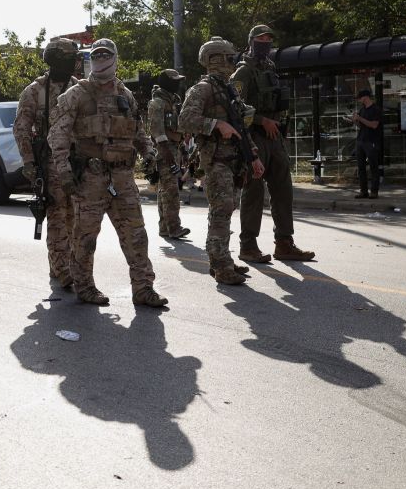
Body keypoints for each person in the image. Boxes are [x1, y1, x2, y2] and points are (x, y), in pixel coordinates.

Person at [47, 38, 168, 308]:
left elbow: (137, 131)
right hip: (90, 178)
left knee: (136, 235)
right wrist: (65, 172)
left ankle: (143, 288)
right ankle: (85, 286)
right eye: (96, 55)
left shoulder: (125, 95)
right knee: (85, 237)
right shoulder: (76, 94)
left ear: (114, 58)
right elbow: (57, 136)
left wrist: (149, 155)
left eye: (106, 54)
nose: (101, 59)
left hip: (123, 178)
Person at [180, 37, 265, 285]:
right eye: (229, 58)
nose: (232, 62)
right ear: (215, 59)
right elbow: (185, 120)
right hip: (216, 159)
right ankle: (220, 265)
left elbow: (241, 127)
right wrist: (216, 124)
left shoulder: (228, 90)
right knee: (221, 211)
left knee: (227, 211)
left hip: (234, 160)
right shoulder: (202, 89)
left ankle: (222, 260)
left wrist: (254, 157)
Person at [230, 24, 314, 263]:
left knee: (283, 191)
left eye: (268, 38)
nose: (266, 41)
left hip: (274, 136)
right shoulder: (243, 72)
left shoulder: (270, 67)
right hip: (254, 136)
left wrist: (277, 125)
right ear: (251, 42)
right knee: (254, 192)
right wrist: (261, 120)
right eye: (261, 38)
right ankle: (248, 246)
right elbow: (235, 109)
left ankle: (284, 243)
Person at [13, 36, 82, 288]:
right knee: (57, 215)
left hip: (77, 162)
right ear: (56, 59)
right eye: (69, 58)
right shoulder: (35, 91)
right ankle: (61, 268)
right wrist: (29, 162)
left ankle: (76, 266)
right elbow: (21, 128)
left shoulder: (80, 87)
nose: (74, 63)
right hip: (49, 162)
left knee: (77, 217)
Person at [148, 68, 191, 241]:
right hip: (165, 151)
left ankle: (165, 227)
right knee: (171, 190)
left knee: (165, 190)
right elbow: (157, 132)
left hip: (174, 147)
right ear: (167, 82)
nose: (178, 84)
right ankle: (174, 227)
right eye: (175, 81)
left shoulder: (173, 101)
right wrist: (169, 157)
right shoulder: (158, 102)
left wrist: (183, 151)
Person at [350, 89, 383, 199]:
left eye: (360, 97)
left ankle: (374, 191)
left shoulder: (376, 109)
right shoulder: (362, 110)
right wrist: (355, 121)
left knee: (373, 167)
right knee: (361, 167)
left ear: (366, 97)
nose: (359, 100)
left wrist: (360, 118)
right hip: (361, 140)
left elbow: (374, 125)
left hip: (371, 141)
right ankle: (363, 191)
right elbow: (362, 126)